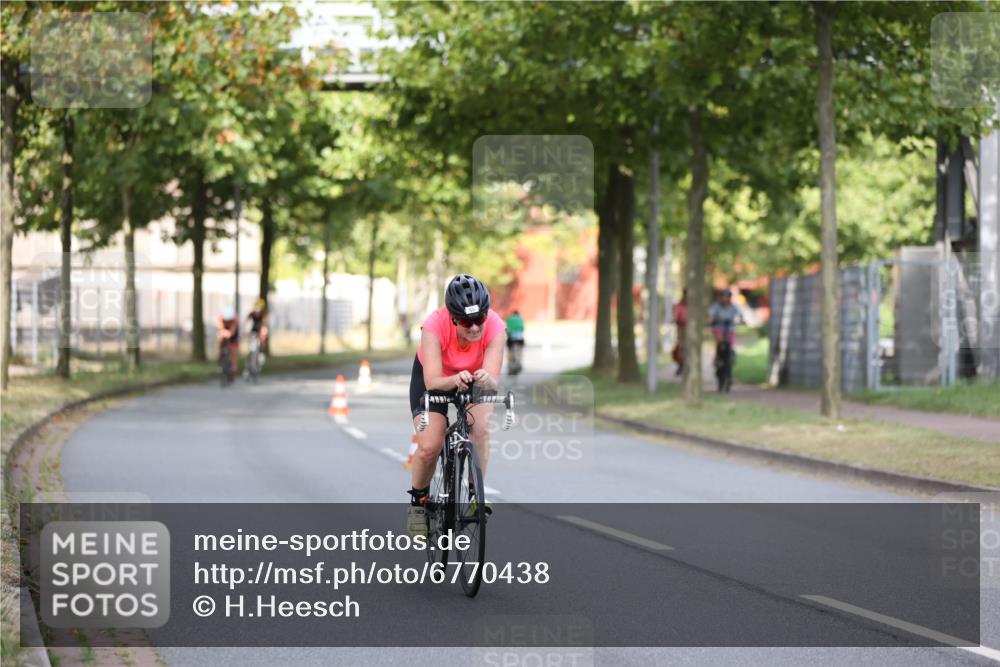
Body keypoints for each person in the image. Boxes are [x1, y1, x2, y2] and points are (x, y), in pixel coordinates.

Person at [406, 274, 505, 533]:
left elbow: (492, 380)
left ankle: (474, 495)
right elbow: (432, 382)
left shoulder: (495, 327)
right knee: (430, 445)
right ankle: (418, 504)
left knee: (480, 427)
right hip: (436, 379)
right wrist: (454, 380)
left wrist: (486, 379)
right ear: (452, 318)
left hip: (473, 379)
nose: (474, 327)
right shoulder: (434, 325)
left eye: (479, 319)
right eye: (465, 321)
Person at [709, 288, 743, 368]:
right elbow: (710, 315)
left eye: (727, 297)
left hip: (729, 328)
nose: (725, 298)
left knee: (730, 344)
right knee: (720, 341)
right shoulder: (716, 306)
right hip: (719, 327)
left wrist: (739, 320)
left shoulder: (733, 306)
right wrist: (712, 320)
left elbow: (739, 315)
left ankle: (730, 358)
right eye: (724, 296)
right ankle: (718, 357)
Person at [216, 307, 239, 379]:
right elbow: (220, 328)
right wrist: (223, 333)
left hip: (233, 335)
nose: (227, 321)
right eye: (226, 320)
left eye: (229, 320)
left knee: (233, 351)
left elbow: (233, 331)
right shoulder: (220, 318)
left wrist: (230, 333)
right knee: (221, 339)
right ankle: (220, 355)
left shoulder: (234, 320)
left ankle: (233, 368)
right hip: (224, 332)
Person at [671, 289, 688, 377]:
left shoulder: (693, 305)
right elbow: (675, 316)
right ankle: (681, 364)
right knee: (681, 347)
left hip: (690, 329)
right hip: (681, 328)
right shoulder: (679, 305)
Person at [505, 309, 525, 374]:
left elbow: (507, 330)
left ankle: (510, 365)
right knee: (519, 351)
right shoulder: (520, 319)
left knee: (510, 352)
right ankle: (519, 363)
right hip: (520, 339)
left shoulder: (509, 319)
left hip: (511, 339)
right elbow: (522, 329)